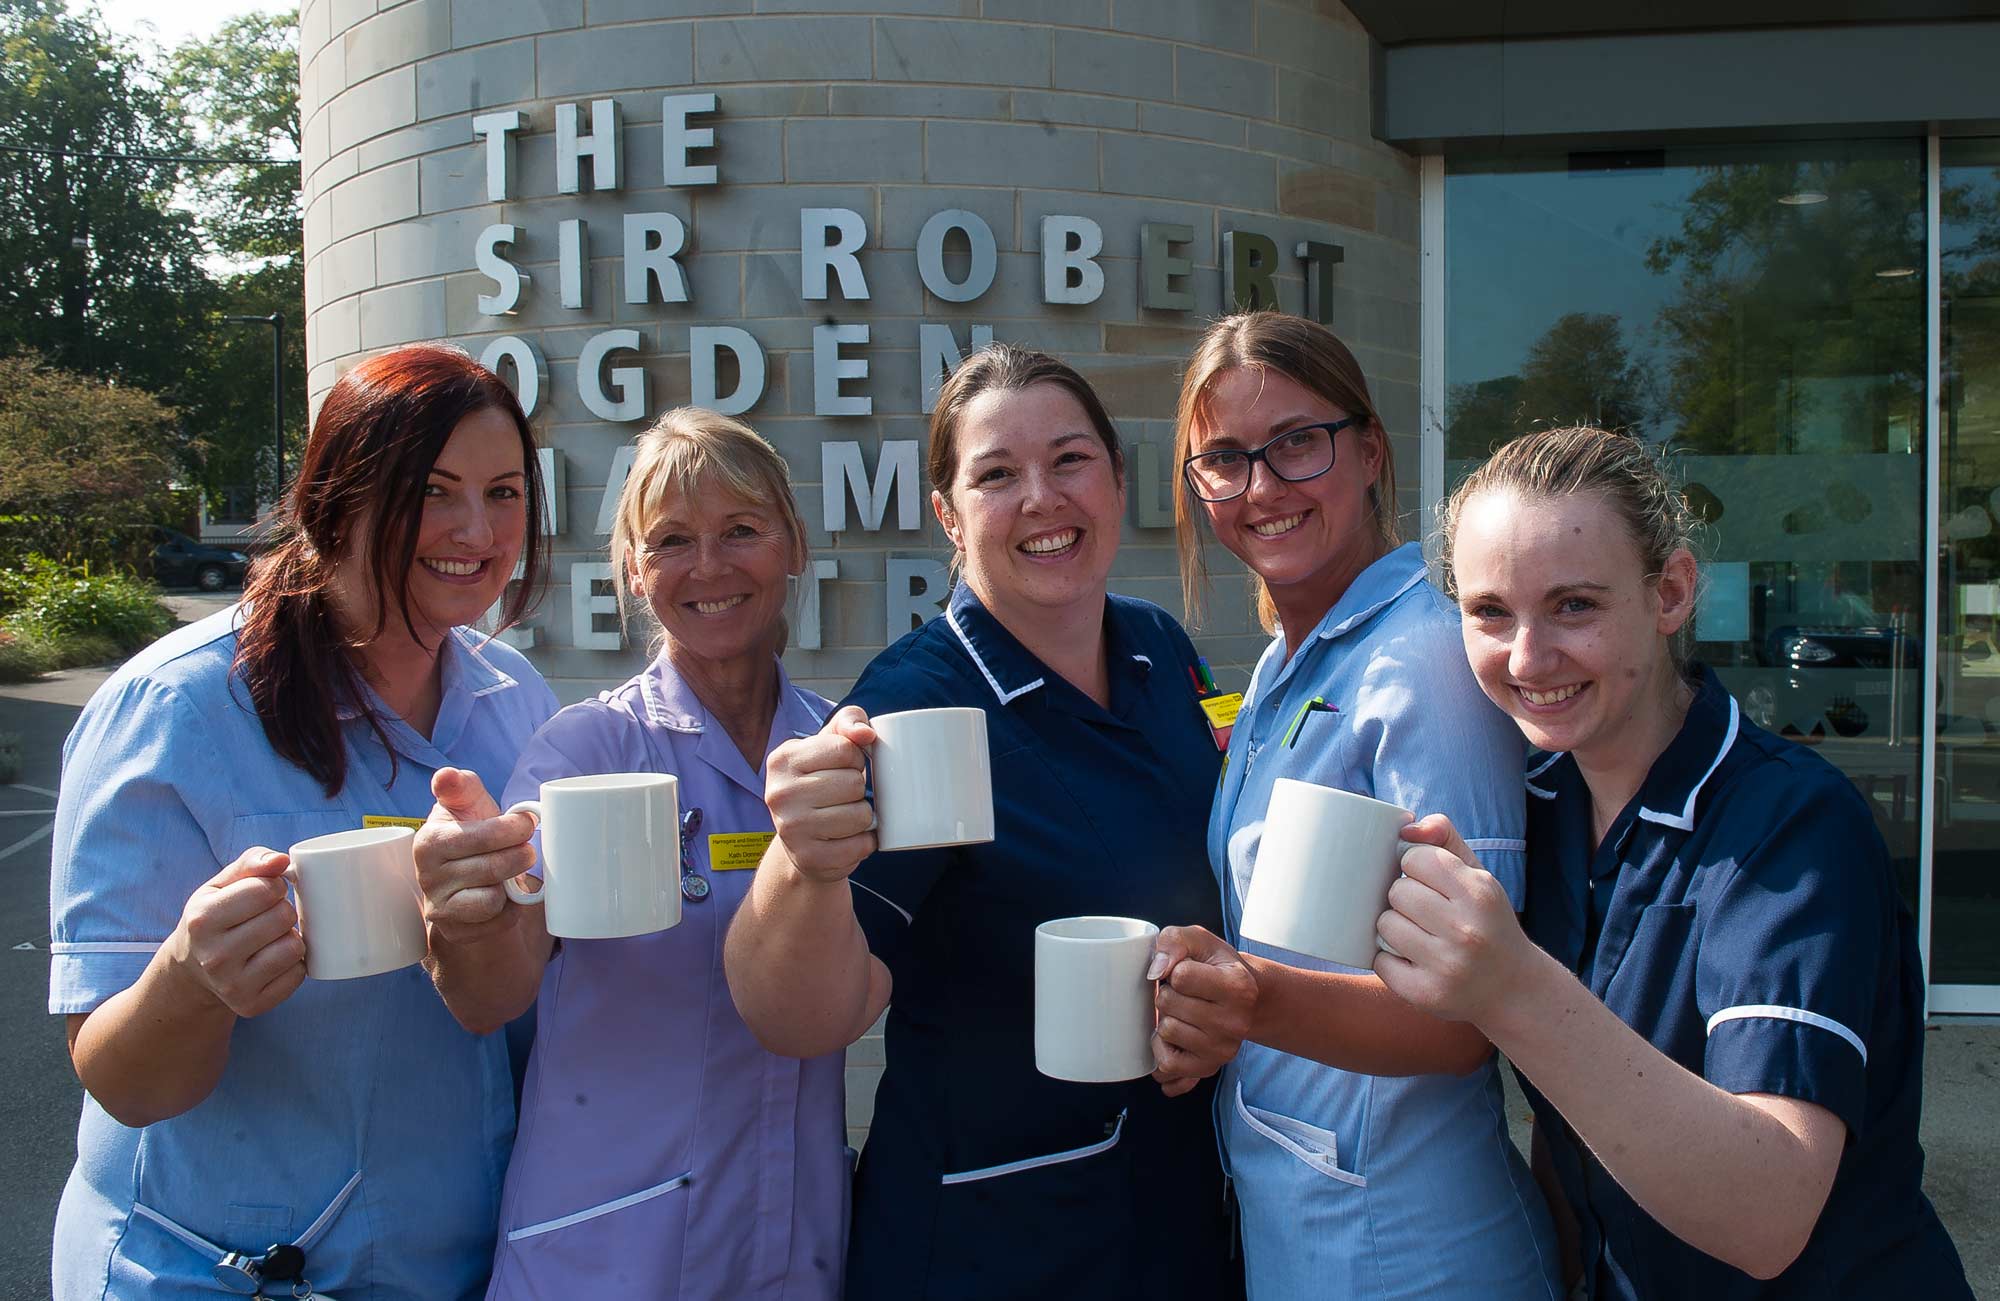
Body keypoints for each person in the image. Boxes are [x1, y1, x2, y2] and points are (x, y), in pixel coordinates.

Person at [1378, 425, 1971, 1297]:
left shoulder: (1792, 827)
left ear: (1673, 591)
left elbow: (1766, 1213)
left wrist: (1508, 986)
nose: (1529, 657)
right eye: (1490, 611)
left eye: (1575, 604)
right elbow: (1577, 1106)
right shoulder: (1539, 803)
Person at [724, 345, 1243, 1299]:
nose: (1041, 498)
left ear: (1118, 480)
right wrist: (801, 865)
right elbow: (801, 1015)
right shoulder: (920, 707)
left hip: (1171, 1221)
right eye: (997, 475)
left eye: (1071, 459)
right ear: (949, 517)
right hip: (993, 1245)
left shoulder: (1159, 652)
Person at [48, 344, 556, 1299]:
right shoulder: (177, 709)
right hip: (219, 1276)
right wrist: (192, 979)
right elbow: (122, 1079)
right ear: (338, 496)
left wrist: (486, 922)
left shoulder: (514, 700)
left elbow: (496, 1005)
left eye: (504, 492)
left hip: (456, 1266)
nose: (475, 529)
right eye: (432, 489)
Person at [1155, 312, 1560, 1299]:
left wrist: (1241, 996)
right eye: (1223, 459)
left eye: (1295, 442)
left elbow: (1475, 1012)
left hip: (1411, 1248)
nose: (1262, 487)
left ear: (1369, 448)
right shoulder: (1282, 664)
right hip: (1303, 1231)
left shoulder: (1425, 659)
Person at [412, 408, 849, 1298]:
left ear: (795, 544)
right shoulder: (587, 753)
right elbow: (496, 989)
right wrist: (466, 917)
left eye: (741, 530)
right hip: (608, 1247)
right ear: (634, 571)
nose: (711, 566)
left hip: (791, 1238)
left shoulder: (835, 753)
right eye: (672, 540)